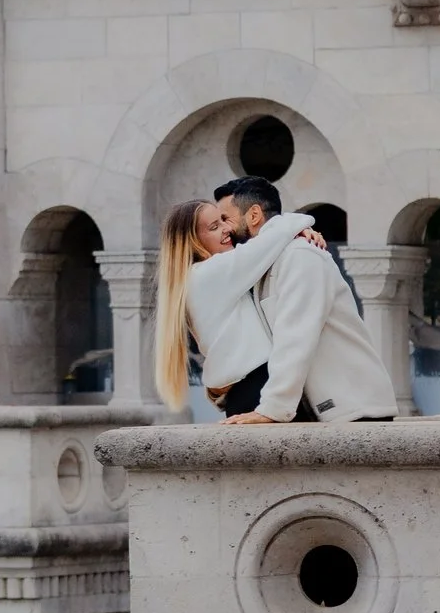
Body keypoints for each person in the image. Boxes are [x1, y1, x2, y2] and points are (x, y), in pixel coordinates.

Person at [213, 177, 398, 426]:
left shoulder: (300, 255)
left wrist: (273, 408)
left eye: (226, 218)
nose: (224, 228)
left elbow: (296, 335)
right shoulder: (265, 263)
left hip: (353, 413)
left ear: (254, 215)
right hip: (325, 415)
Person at [151, 197, 325, 416]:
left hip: (247, 392)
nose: (227, 229)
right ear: (192, 241)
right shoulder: (209, 274)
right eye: (214, 227)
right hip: (259, 390)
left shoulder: (192, 280)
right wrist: (299, 227)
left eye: (224, 220)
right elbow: (270, 240)